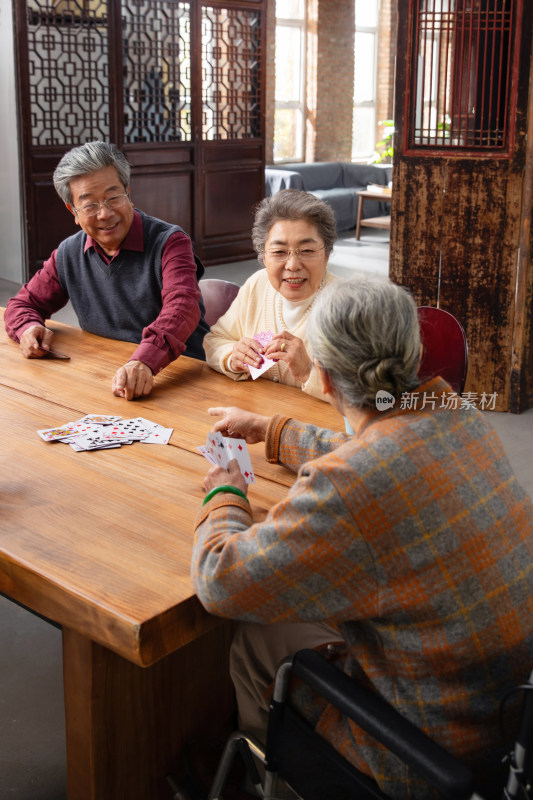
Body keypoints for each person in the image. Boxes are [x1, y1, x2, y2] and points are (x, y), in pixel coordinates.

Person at [192, 276, 533, 799]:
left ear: (323, 378)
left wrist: (225, 495)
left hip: (422, 752)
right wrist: (274, 430)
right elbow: (375, 441)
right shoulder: (458, 413)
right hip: (507, 720)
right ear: (412, 351)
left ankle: (275, 780)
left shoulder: (348, 485)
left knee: (257, 637)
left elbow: (220, 582)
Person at [5, 141, 209, 400]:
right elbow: (23, 304)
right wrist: (27, 328)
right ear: (74, 212)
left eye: (113, 197)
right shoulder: (68, 253)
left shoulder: (170, 241)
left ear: (128, 192)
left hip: (180, 376)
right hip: (104, 375)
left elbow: (182, 307)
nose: (105, 213)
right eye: (89, 205)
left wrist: (144, 361)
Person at [203, 189, 338, 400]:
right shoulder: (258, 284)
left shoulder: (351, 306)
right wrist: (233, 356)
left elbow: (374, 395)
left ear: (327, 254)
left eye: (307, 251)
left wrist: (307, 372)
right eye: (279, 252)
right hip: (256, 420)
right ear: (263, 256)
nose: (292, 265)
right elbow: (215, 340)